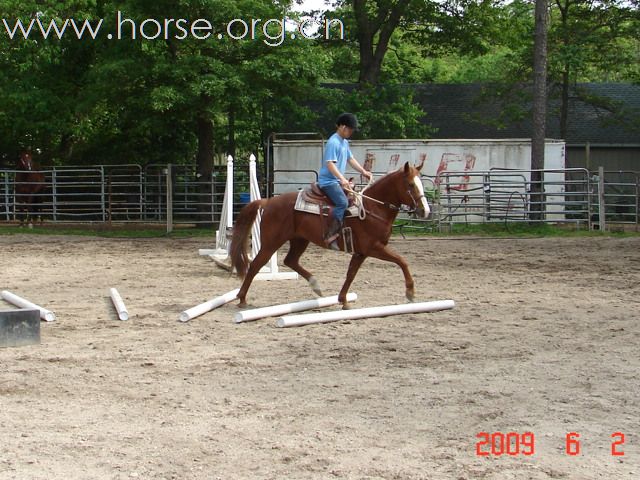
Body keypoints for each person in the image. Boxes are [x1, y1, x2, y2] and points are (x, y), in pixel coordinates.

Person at [318, 113, 373, 250]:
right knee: (342, 202)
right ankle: (331, 235)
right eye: (350, 129)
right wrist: (342, 179)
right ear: (343, 127)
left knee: (353, 201)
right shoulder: (333, 142)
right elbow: (330, 164)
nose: (351, 132)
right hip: (328, 181)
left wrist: (363, 171)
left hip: (336, 180)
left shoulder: (344, 142)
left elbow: (351, 159)